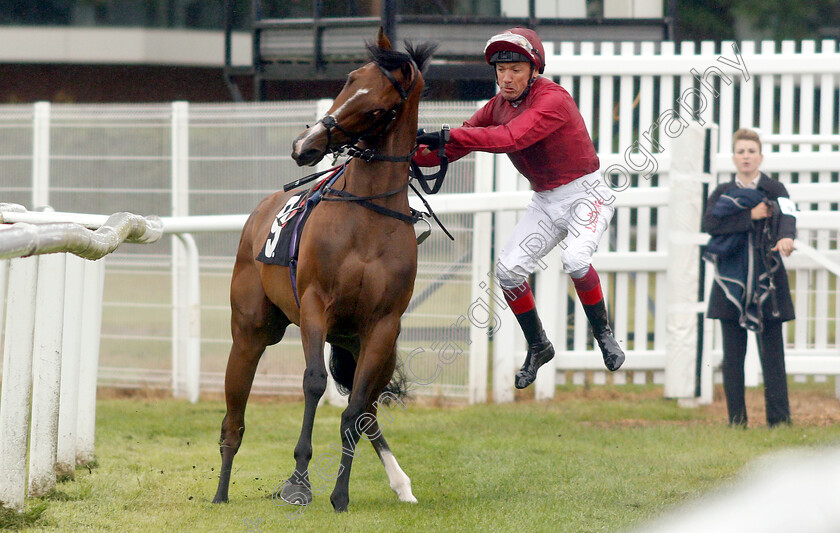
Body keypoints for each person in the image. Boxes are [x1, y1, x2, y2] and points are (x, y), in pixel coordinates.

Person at [414, 27, 625, 389]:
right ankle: (539, 345)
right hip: (546, 200)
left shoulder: (553, 99)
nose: (506, 78)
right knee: (508, 271)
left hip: (587, 194)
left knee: (575, 260)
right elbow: (454, 146)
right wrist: (408, 154)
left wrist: (449, 135)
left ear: (534, 71)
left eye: (515, 69)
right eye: (501, 70)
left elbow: (510, 138)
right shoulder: (497, 106)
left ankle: (604, 334)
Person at [702, 128, 796, 427]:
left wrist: (786, 238)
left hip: (768, 281)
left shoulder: (776, 188)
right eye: (741, 151)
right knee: (733, 358)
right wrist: (749, 217)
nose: (746, 156)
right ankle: (736, 421)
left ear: (760, 156)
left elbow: (789, 217)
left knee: (773, 356)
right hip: (732, 283)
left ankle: (779, 422)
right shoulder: (722, 192)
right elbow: (710, 223)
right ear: (734, 157)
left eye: (751, 151)